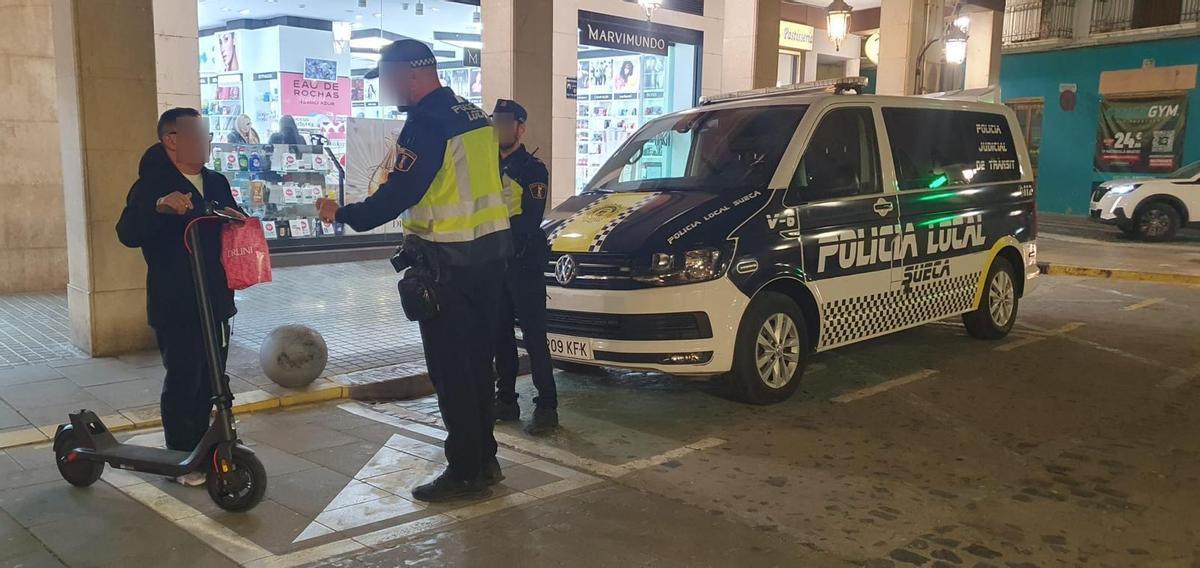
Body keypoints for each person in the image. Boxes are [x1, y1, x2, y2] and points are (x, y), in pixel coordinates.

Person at [315, 40, 512, 503]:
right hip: (488, 259)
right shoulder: (476, 117)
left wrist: (344, 214)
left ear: (408, 75)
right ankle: (485, 460)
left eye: (385, 78)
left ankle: (465, 471)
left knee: (451, 372)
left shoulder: (427, 123)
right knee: (479, 366)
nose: (384, 88)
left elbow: (401, 191)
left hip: (448, 263)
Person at [116, 108, 246, 487]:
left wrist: (238, 219)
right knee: (184, 377)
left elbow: (232, 218)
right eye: (198, 133)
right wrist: (160, 207)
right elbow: (127, 232)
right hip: (176, 299)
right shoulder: (152, 185)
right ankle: (182, 454)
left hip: (216, 298)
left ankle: (208, 445)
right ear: (171, 139)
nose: (206, 140)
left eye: (206, 134)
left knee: (212, 377)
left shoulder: (216, 181)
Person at [490, 99, 557, 435]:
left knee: (533, 336)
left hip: (524, 263)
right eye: (496, 122)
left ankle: (547, 405)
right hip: (494, 264)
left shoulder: (533, 169)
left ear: (520, 128)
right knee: (499, 335)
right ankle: (506, 400)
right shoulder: (485, 166)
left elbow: (530, 219)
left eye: (506, 123)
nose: (500, 129)